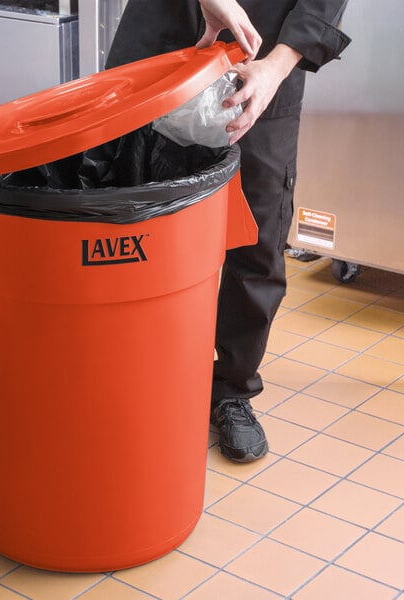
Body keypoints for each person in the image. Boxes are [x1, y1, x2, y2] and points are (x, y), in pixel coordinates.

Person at [106, 0, 351, 462]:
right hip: (162, 39)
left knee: (257, 237)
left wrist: (278, 66)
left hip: (263, 63)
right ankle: (131, 378)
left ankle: (231, 390)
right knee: (132, 226)